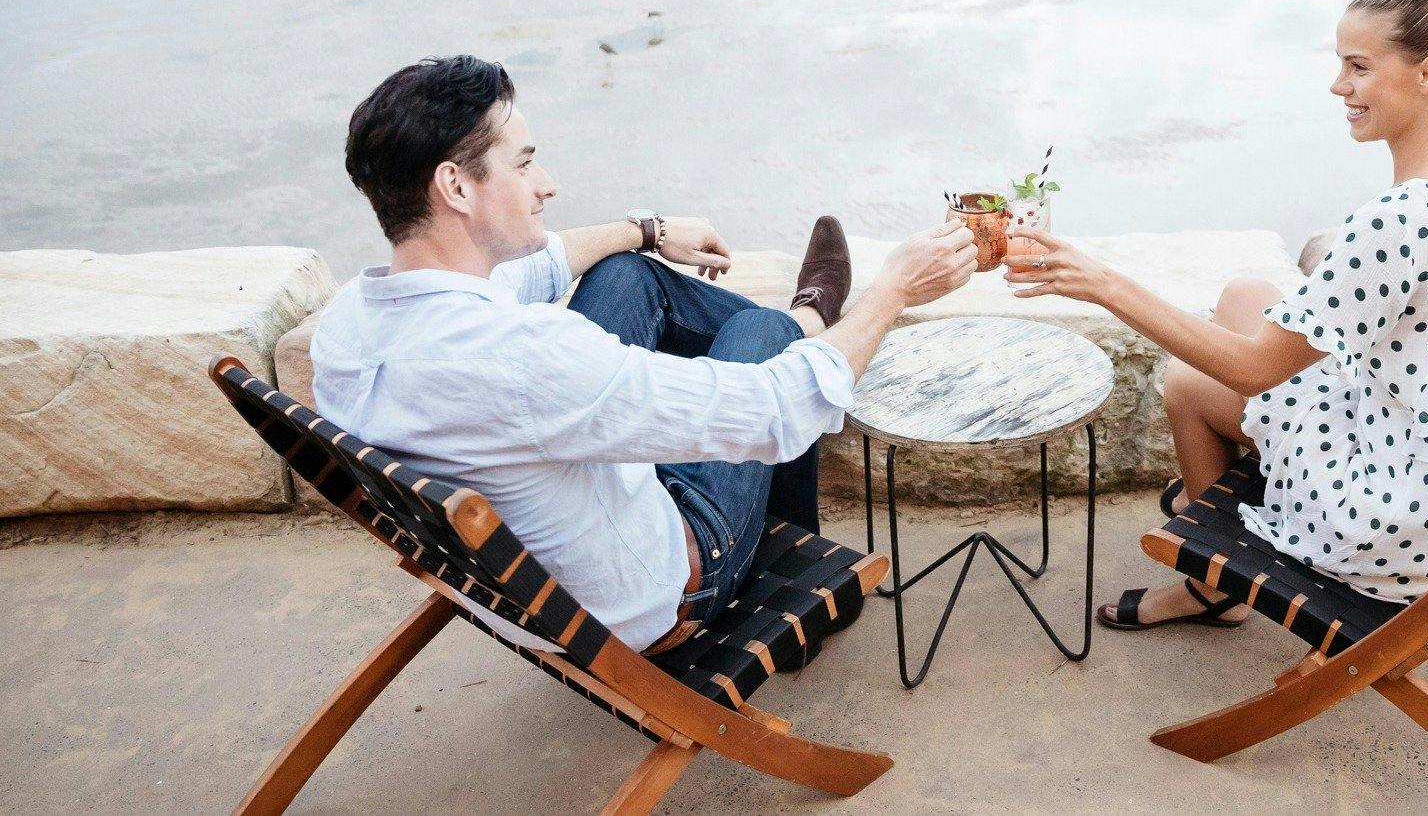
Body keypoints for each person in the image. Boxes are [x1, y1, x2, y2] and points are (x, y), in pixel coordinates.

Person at [308, 55, 976, 653]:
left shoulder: (349, 326)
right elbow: (774, 412)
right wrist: (892, 291)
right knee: (763, 340)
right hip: (659, 587)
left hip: (535, 571)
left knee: (625, 272)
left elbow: (536, 269)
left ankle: (808, 322)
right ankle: (806, 323)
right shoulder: (525, 357)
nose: (547, 184)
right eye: (523, 163)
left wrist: (647, 231)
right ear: (455, 187)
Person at [1006, 0, 1428, 628]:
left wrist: (1101, 283)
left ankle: (1211, 589)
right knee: (1246, 294)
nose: (1338, 86)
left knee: (1189, 384)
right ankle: (1221, 489)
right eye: (1340, 63)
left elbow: (1252, 372)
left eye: (1359, 67)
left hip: (1398, 518)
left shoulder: (1404, 219)